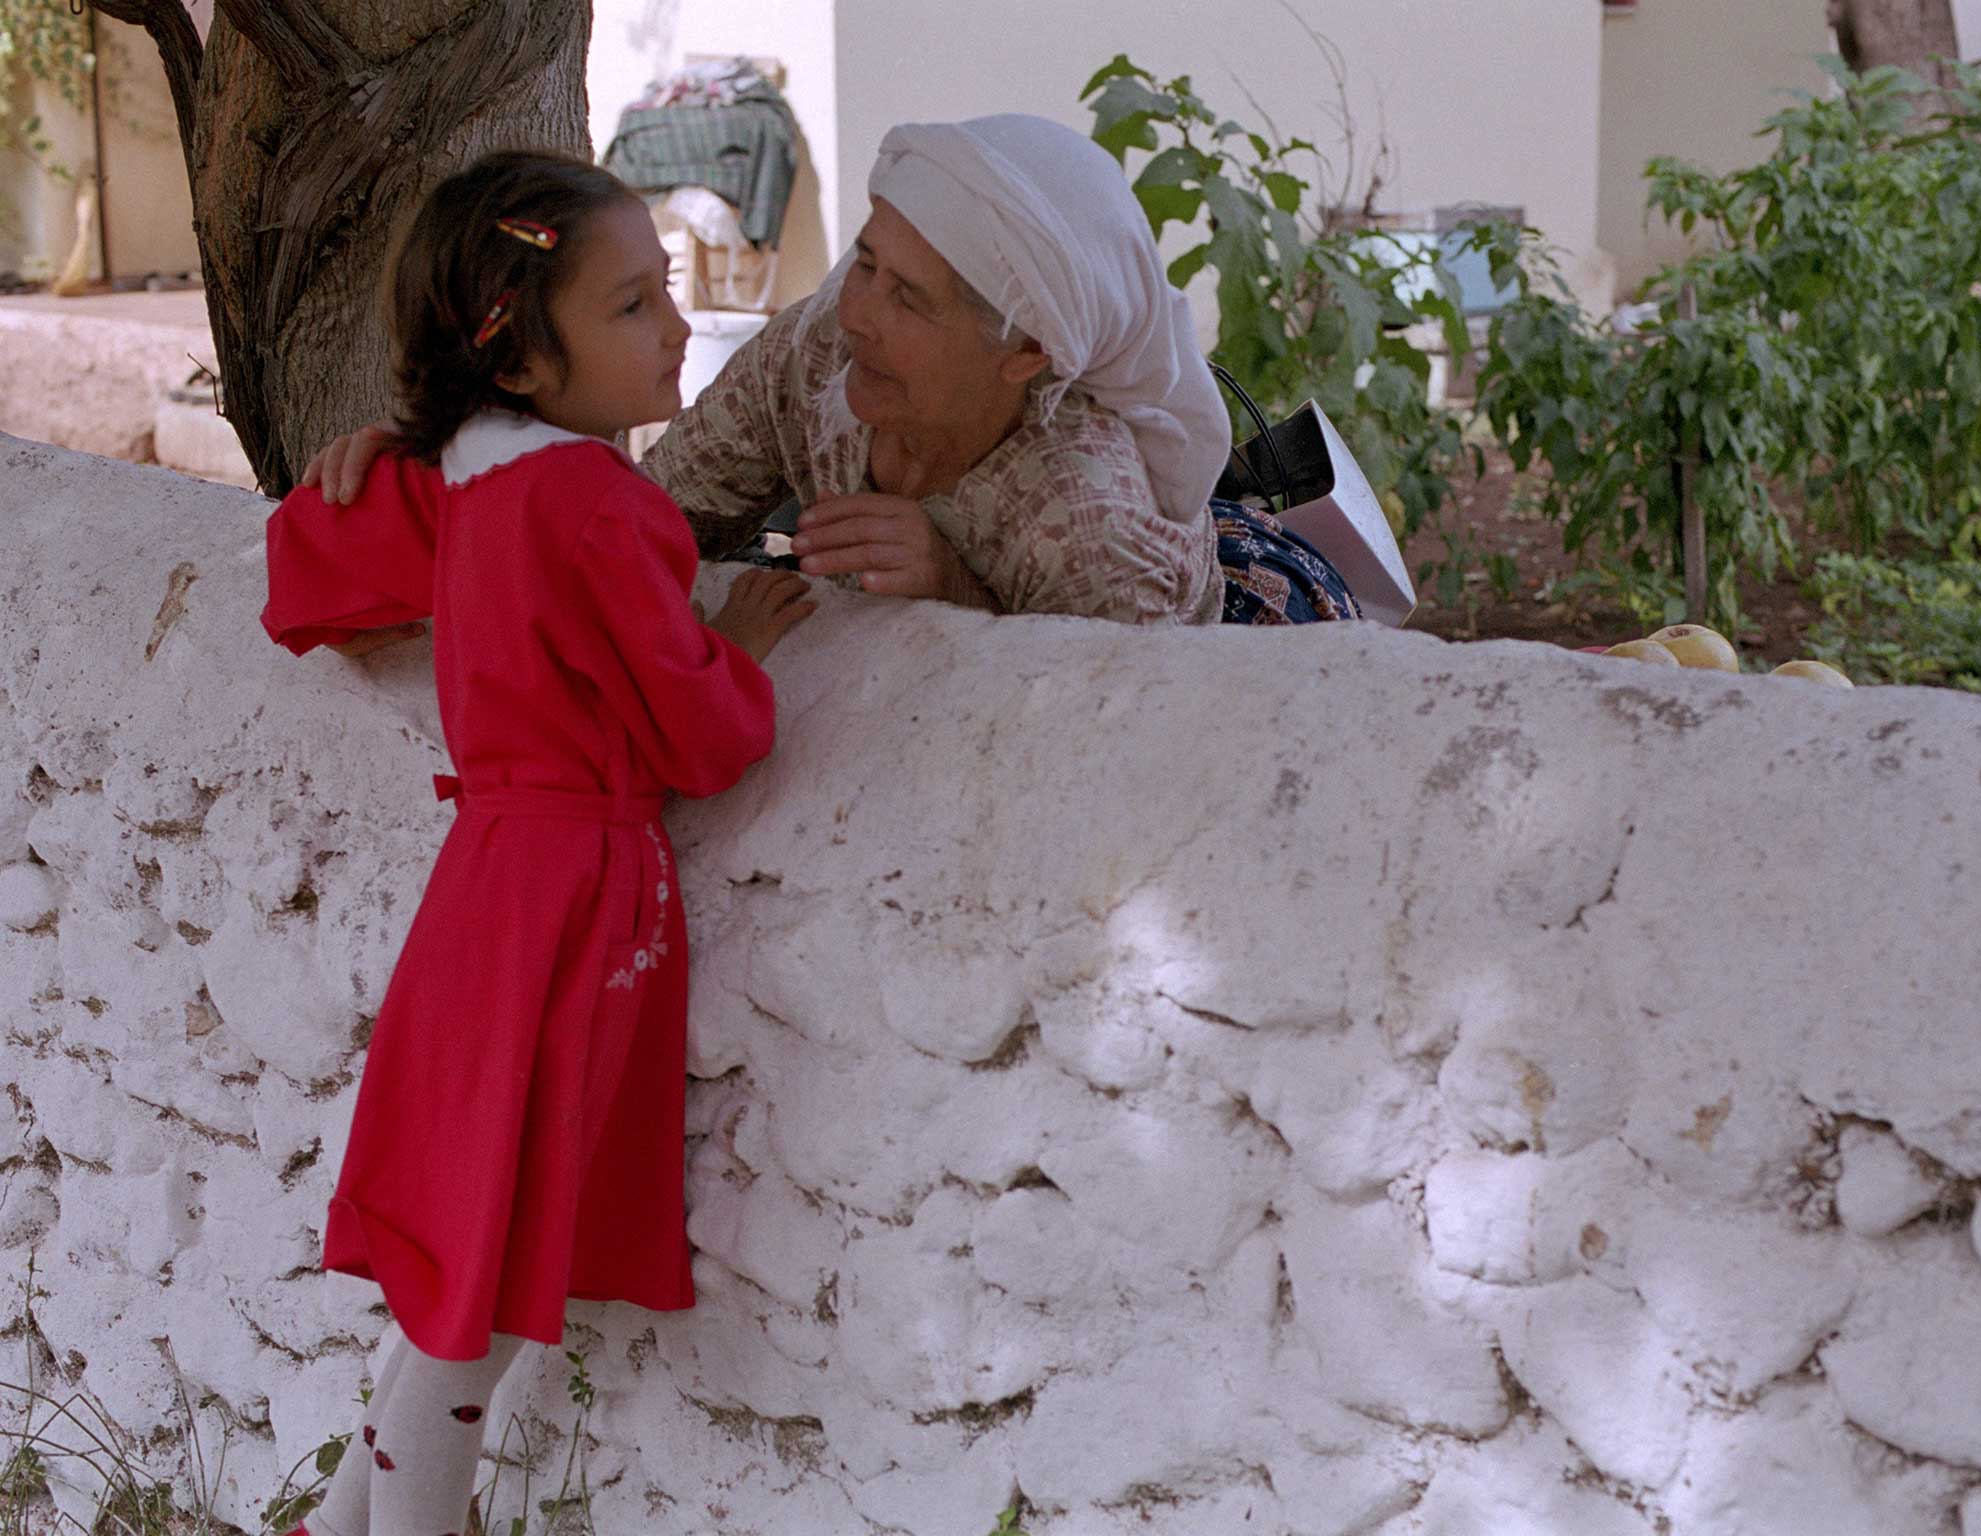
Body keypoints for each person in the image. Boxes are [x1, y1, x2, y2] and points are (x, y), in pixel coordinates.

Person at [259, 149, 813, 1536]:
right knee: (486, 1290)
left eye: (665, 295)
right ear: (518, 359)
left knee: (467, 1258)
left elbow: (310, 576)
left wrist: (376, 459)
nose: (675, 327)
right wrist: (729, 647)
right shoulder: (597, 504)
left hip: (491, 899)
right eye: (631, 307)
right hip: (571, 908)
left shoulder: (468, 484)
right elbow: (701, 738)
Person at [308, 115, 1363, 627]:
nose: (855, 312)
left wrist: (960, 590)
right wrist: (448, 460)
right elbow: (639, 531)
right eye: (866, 260)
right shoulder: (816, 351)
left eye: (909, 298)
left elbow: (1117, 744)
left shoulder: (1083, 521)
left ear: (1026, 357)